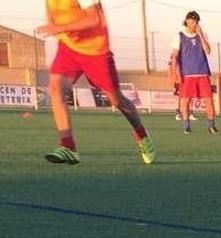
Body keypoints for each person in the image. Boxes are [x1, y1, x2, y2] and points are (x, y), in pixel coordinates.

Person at [37, 0, 155, 165]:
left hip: (95, 52)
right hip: (69, 49)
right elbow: (52, 20)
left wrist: (61, 28)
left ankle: (141, 134)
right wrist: (55, 28)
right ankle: (68, 146)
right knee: (55, 88)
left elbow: (93, 19)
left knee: (116, 100)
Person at [170, 11, 217, 134]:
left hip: (202, 73)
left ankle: (211, 125)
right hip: (187, 75)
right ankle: (186, 126)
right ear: (186, 21)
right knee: (185, 100)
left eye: (196, 21)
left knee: (209, 100)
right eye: (191, 21)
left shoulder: (201, 35)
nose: (194, 23)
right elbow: (174, 56)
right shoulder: (179, 36)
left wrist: (200, 35)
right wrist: (175, 74)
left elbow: (208, 50)